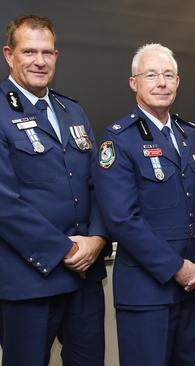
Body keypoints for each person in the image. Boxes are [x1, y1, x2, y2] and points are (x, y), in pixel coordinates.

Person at [92, 43, 195, 366]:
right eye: (151, 75)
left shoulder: (191, 136)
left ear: (178, 82)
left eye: (168, 75)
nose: (161, 82)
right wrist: (177, 267)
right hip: (146, 293)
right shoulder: (119, 140)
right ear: (134, 83)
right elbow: (122, 219)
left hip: (192, 287)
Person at [0, 14, 108, 366]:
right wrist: (63, 250)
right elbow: (5, 203)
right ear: (8, 55)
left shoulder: (73, 111)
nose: (40, 61)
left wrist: (96, 239)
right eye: (29, 51)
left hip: (85, 276)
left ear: (57, 56)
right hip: (28, 280)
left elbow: (97, 184)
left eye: (47, 52)